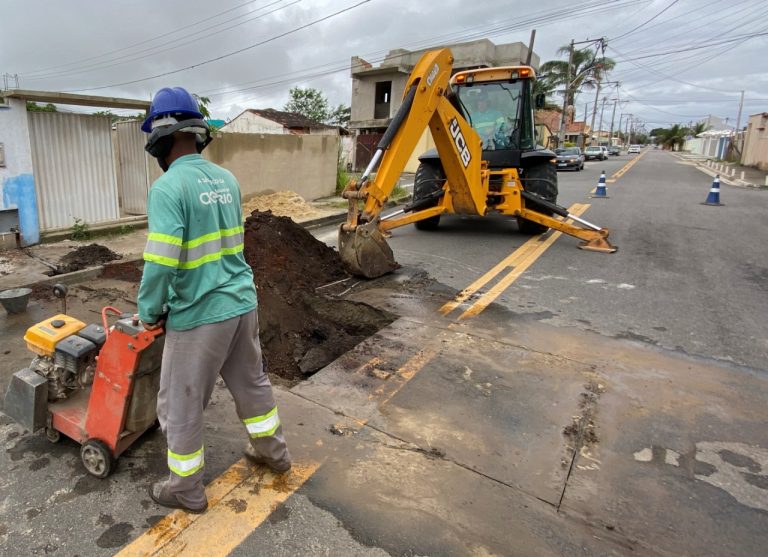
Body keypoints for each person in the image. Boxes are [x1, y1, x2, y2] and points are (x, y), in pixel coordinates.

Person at [137, 87, 291, 514]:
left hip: (201, 315)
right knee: (253, 387)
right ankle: (274, 455)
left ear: (161, 138)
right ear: (196, 134)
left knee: (181, 403)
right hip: (242, 303)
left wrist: (149, 311)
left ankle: (185, 489)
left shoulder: (168, 188)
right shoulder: (226, 179)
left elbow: (161, 264)